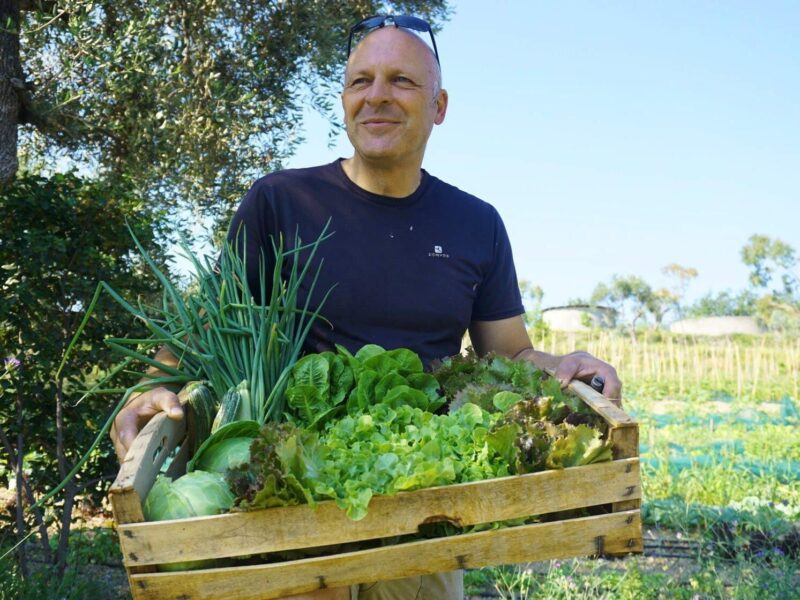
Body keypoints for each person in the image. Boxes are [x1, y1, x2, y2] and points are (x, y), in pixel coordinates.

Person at [110, 14, 622, 600]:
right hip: (290, 513)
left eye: (401, 80)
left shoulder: (475, 223)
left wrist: (566, 365)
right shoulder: (282, 201)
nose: (376, 95)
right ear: (345, 99)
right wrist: (147, 388)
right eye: (361, 81)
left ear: (440, 105)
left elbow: (509, 353)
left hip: (422, 514)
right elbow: (205, 328)